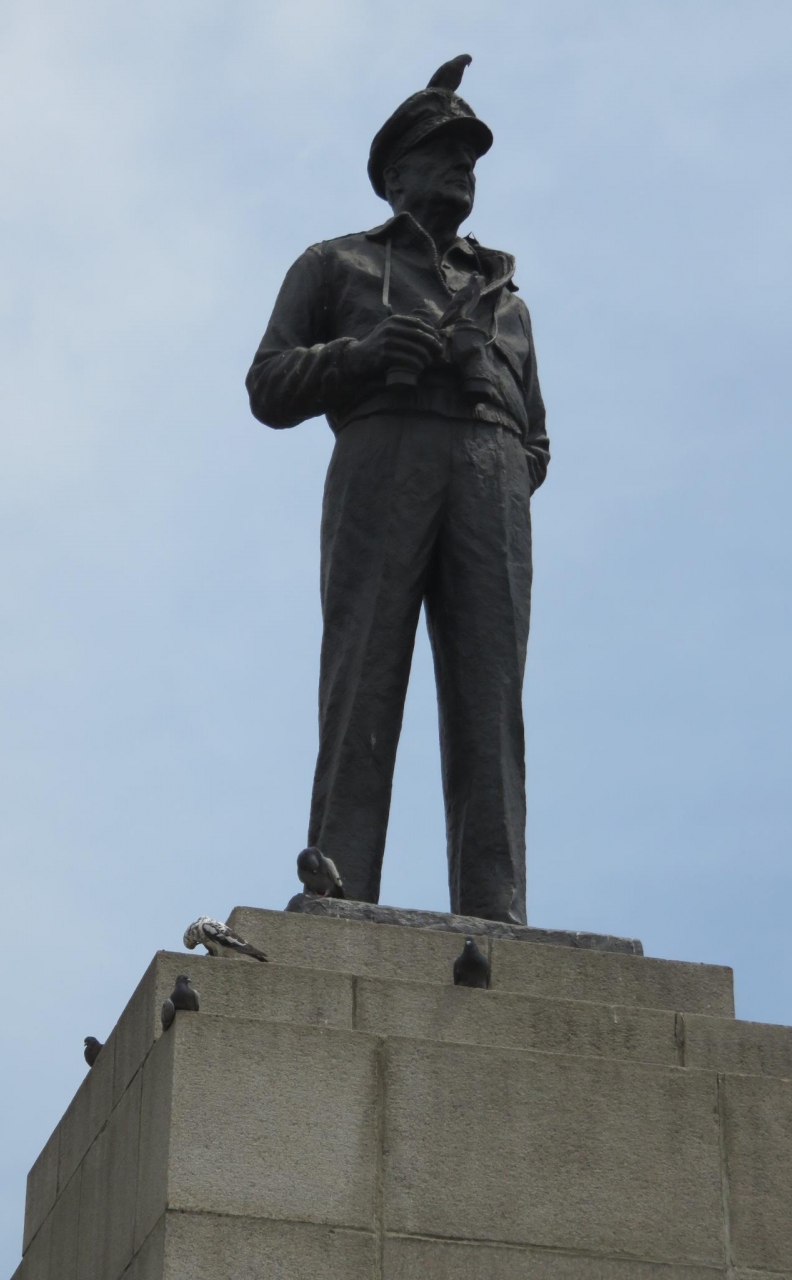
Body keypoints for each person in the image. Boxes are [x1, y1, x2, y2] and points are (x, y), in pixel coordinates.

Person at [246, 56, 549, 924]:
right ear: (395, 175)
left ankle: (495, 909)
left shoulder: (508, 299)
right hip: (382, 456)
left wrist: (500, 470)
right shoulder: (335, 264)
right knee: (364, 677)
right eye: (444, 151)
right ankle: (340, 885)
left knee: (491, 698)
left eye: (471, 156)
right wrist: (366, 357)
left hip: (491, 476)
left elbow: (538, 437)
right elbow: (268, 384)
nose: (464, 168)